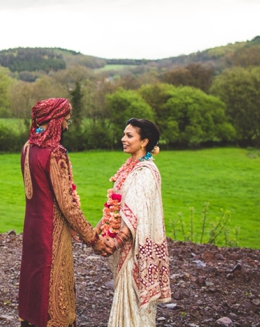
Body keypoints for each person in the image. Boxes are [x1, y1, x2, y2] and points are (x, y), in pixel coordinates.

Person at [18, 98, 105, 327]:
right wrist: (92, 238)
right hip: (51, 228)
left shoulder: (28, 147)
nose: (67, 126)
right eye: (65, 120)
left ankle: (31, 319)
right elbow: (67, 204)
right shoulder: (55, 153)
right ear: (55, 120)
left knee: (33, 273)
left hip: (32, 226)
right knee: (53, 276)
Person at [95, 118, 171, 326]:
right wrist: (96, 230)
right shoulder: (130, 167)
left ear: (144, 141)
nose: (123, 139)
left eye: (129, 135)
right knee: (123, 300)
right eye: (124, 134)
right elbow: (116, 204)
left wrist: (116, 242)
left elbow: (136, 215)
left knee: (132, 305)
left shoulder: (146, 172)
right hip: (124, 250)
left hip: (134, 252)